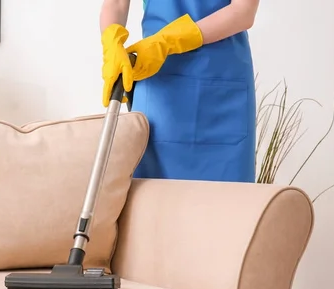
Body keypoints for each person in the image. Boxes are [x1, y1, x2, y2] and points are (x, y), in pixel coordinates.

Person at [100, 0, 260, 183]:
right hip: (160, 89)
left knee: (229, 204)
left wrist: (169, 41)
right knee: (152, 202)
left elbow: (244, 11)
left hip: (221, 93)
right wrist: (111, 42)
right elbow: (116, 3)